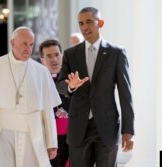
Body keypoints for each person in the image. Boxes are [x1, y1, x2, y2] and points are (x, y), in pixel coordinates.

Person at [0, 26, 61, 167]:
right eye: (24, 44)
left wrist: (52, 143)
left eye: (31, 44)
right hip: (1, 136)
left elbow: (47, 112)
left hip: (32, 136)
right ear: (12, 43)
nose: (28, 48)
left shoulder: (41, 72)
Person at [57, 7, 135, 167]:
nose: (84, 27)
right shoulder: (70, 54)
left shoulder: (116, 53)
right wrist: (70, 86)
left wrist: (128, 131)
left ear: (100, 23)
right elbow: (60, 85)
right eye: (80, 23)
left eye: (89, 22)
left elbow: (125, 94)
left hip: (107, 128)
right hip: (79, 128)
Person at [39, 39, 70, 167]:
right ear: (42, 60)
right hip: (47, 137)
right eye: (49, 56)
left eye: (56, 55)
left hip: (71, 137)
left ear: (62, 55)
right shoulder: (37, 80)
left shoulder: (72, 77)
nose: (54, 59)